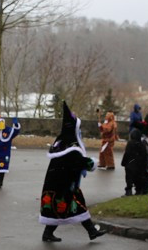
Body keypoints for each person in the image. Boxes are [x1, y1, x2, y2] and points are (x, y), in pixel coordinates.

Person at [39, 102, 106, 242]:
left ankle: (91, 231)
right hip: (63, 185)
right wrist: (92, 163)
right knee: (65, 207)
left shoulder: (60, 143)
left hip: (59, 183)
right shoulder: (71, 147)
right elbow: (79, 161)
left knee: (73, 207)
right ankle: (90, 231)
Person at [121, 128, 148, 196]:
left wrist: (123, 162)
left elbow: (127, 153)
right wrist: (145, 165)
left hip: (130, 164)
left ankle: (129, 190)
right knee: (138, 180)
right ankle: (138, 190)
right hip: (139, 166)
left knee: (129, 179)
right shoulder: (142, 144)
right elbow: (145, 156)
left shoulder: (130, 143)